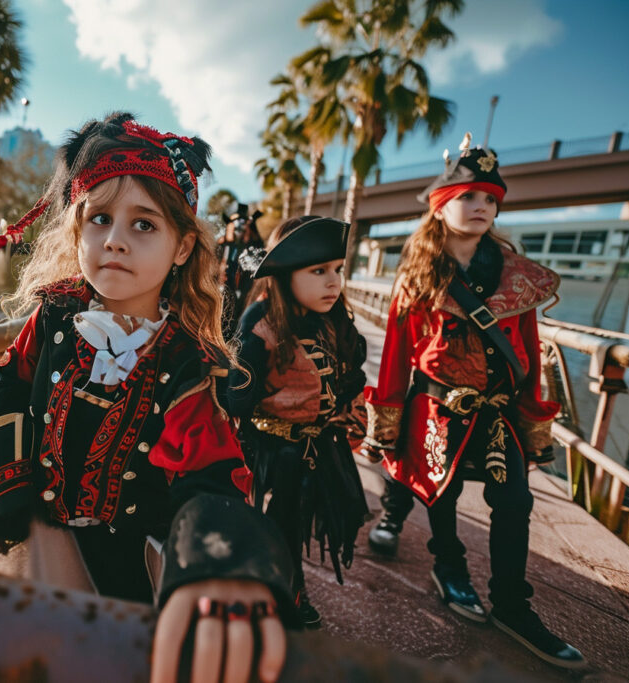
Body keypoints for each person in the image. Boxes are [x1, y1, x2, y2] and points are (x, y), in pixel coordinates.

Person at [0, 112, 295, 683]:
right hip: (31, 538)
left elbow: (210, 478)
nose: (114, 239)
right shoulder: (53, 317)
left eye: (144, 225)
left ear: (183, 246)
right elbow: (8, 384)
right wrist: (5, 484)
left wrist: (218, 564)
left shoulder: (188, 364)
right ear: (76, 230)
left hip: (125, 569)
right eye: (99, 219)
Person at [361, 133, 585, 668]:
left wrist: (533, 422)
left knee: (515, 504)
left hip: (499, 412)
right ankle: (450, 569)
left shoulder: (517, 279)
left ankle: (511, 603)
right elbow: (396, 354)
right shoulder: (417, 275)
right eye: (467, 196)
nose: (481, 205)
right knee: (442, 494)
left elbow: (527, 353)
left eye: (489, 197)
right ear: (441, 208)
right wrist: (385, 423)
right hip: (436, 408)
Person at [227, 215, 370, 629]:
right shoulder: (261, 322)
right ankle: (280, 587)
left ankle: (287, 584)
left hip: (319, 448)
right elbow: (237, 396)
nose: (333, 282)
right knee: (273, 523)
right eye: (319, 271)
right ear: (285, 274)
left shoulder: (335, 321)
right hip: (269, 449)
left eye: (338, 271)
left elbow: (350, 378)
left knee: (295, 518)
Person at [216, 202, 263, 339]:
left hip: (244, 290)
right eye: (236, 221)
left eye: (243, 221)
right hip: (223, 288)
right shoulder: (221, 244)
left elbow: (260, 250)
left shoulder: (252, 245)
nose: (240, 225)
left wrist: (252, 225)